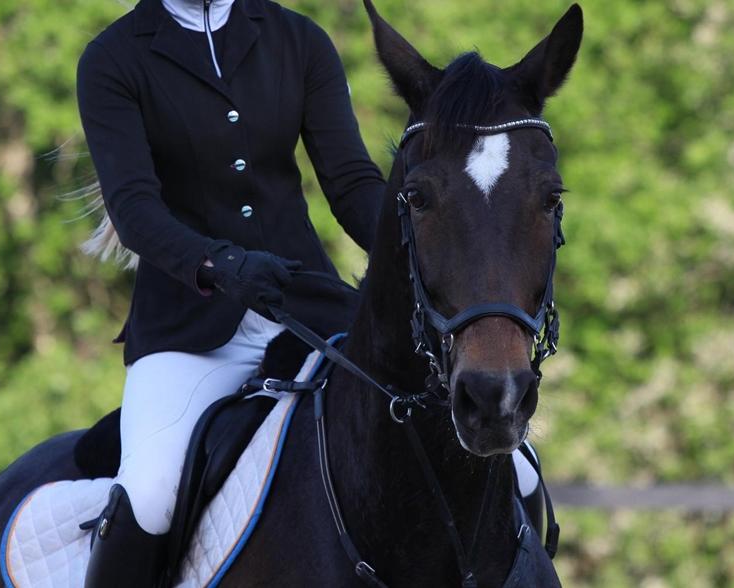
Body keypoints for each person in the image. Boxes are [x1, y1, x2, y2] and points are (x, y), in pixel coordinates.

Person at [75, 0, 546, 584]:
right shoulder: (114, 58)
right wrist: (216, 262)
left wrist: (437, 261)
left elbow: (350, 183)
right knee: (149, 492)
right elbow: (134, 208)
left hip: (310, 313)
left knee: (520, 467)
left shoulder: (298, 40)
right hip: (188, 332)